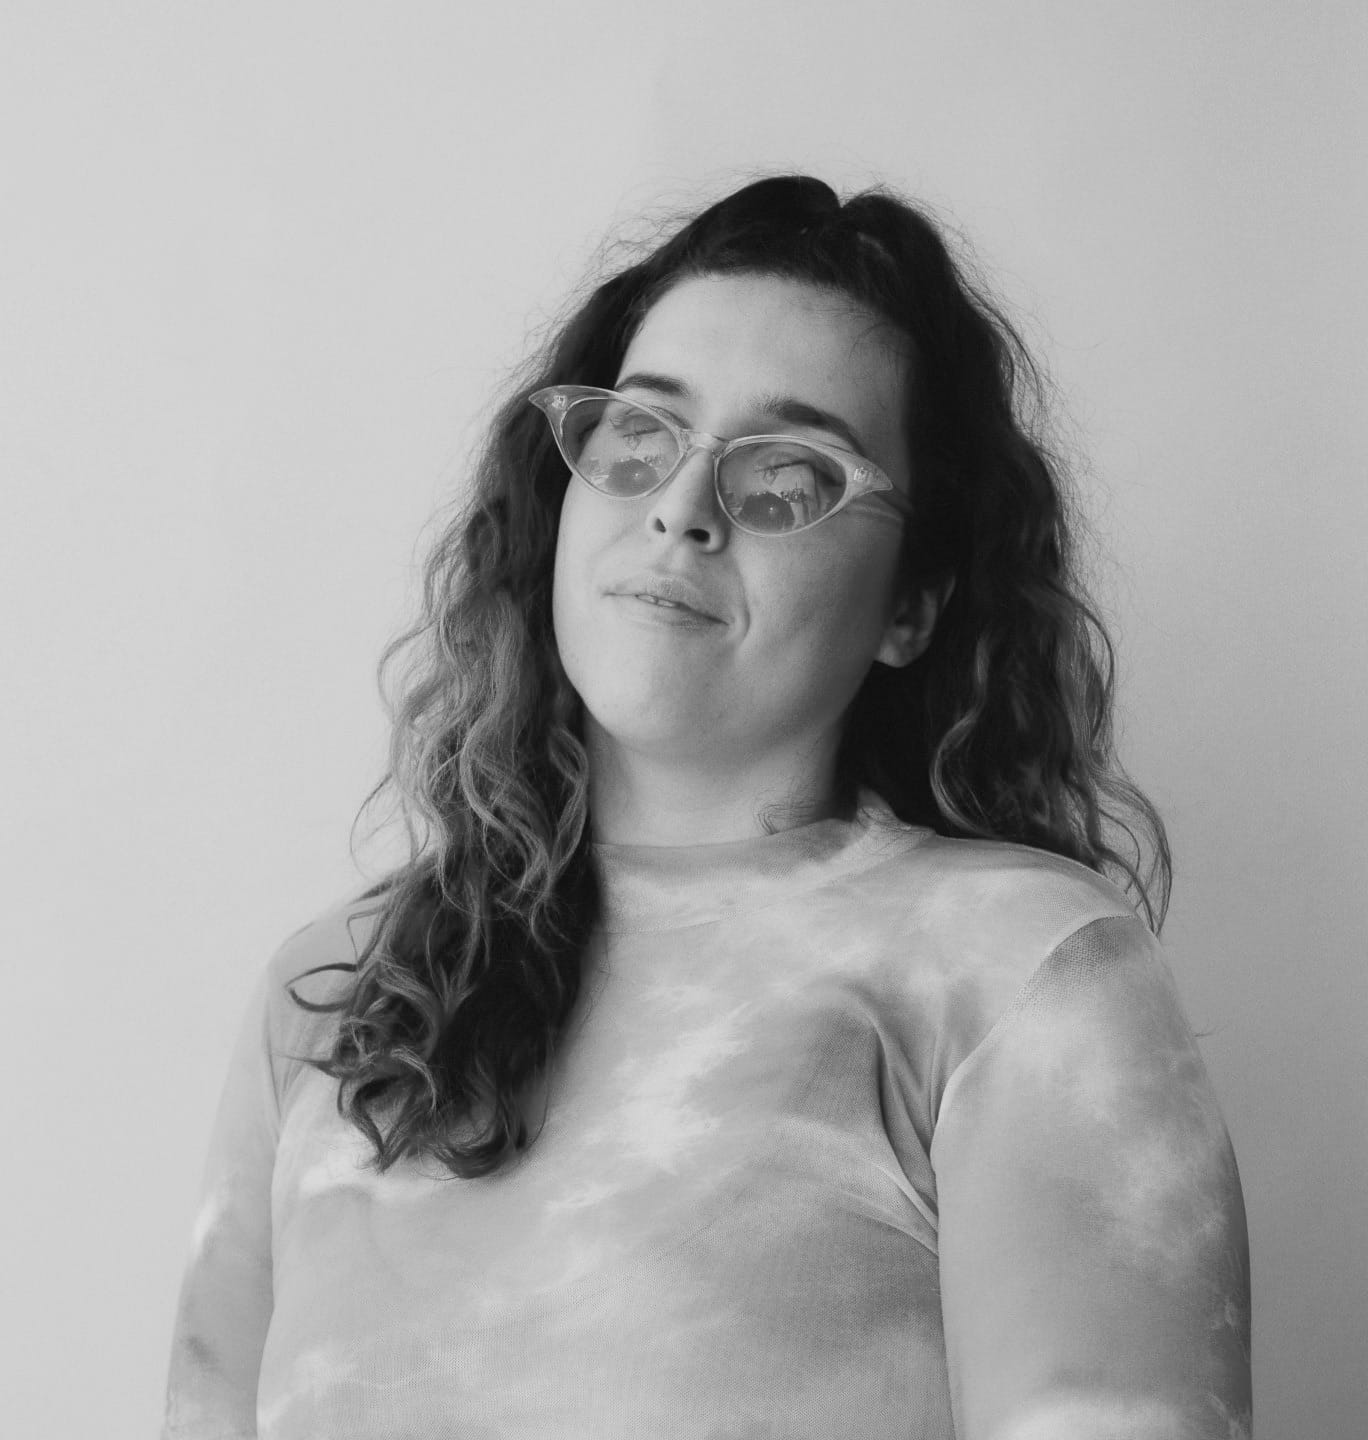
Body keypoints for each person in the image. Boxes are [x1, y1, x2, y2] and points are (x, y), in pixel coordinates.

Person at [162, 175, 1251, 1439]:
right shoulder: (335, 996)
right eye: (639, 437)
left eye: (787, 477)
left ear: (913, 604)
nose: (681, 508)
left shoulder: (1021, 972)